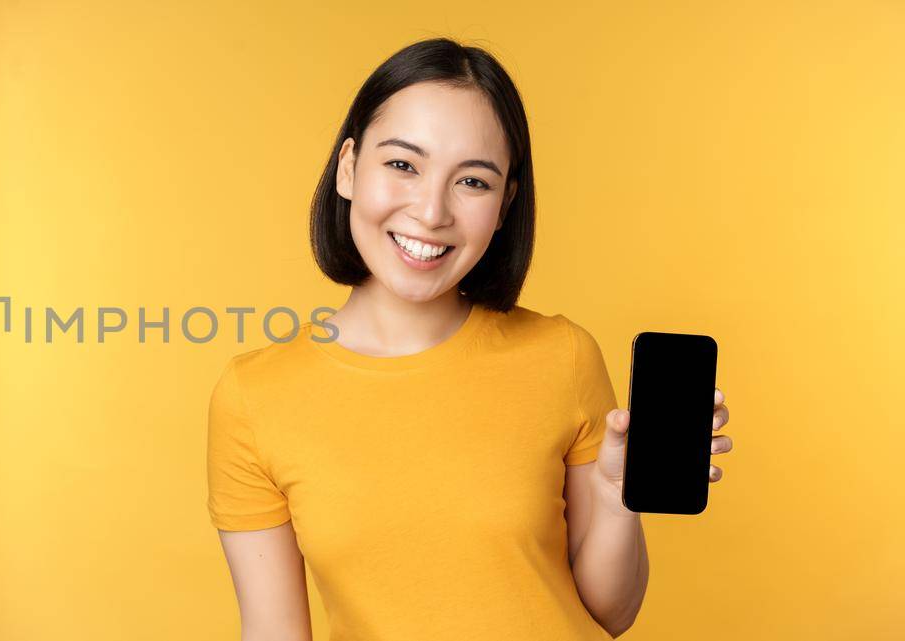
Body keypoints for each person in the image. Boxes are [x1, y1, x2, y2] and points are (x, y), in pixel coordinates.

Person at [206, 38, 734, 640]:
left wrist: (618, 495)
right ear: (349, 167)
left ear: (506, 202)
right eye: (403, 164)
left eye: (473, 182)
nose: (432, 212)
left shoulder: (562, 355)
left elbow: (610, 615)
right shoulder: (255, 396)